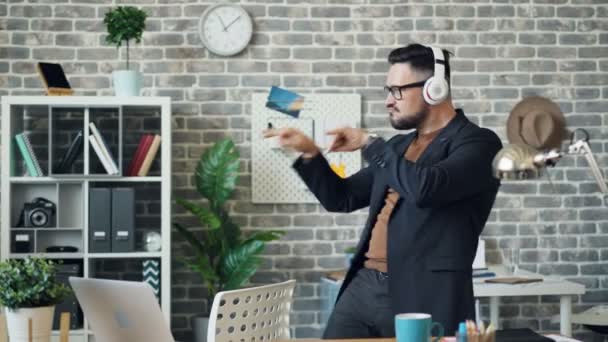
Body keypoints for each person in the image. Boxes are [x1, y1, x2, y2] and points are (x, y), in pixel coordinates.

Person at [264, 44, 502, 338]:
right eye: (387, 91)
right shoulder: (397, 147)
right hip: (362, 286)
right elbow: (343, 197)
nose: (389, 101)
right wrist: (310, 153)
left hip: (421, 293)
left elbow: (425, 188)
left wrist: (370, 143)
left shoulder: (479, 143)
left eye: (397, 91)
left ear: (434, 89)